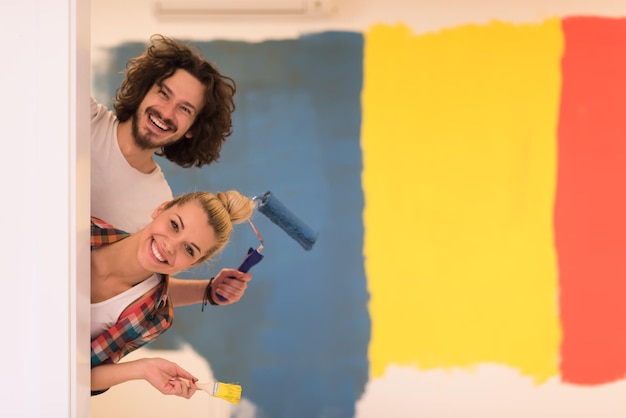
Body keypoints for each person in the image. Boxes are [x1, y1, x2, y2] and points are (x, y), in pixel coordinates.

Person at [91, 34, 248, 305]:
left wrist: (208, 291)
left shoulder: (158, 203)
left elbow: (135, 284)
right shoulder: (81, 117)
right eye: (164, 93)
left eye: (184, 109)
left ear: (193, 130)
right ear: (145, 89)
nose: (165, 112)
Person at [91, 190, 254, 397]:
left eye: (189, 250)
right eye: (175, 225)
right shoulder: (83, 228)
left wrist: (144, 368)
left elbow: (82, 378)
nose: (170, 246)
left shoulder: (155, 319)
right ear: (161, 209)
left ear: (193, 263)